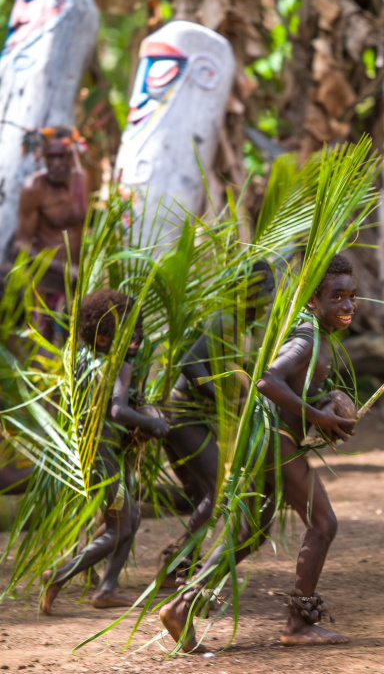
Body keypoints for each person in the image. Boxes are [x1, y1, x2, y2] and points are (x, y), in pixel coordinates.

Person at [159, 253, 358, 651]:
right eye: (336, 297)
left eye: (352, 296)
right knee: (323, 524)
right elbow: (267, 382)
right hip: (274, 442)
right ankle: (298, 624)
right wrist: (317, 417)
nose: (347, 305)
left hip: (267, 440)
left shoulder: (317, 337)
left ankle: (181, 606)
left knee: (251, 533)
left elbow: (294, 393)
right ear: (312, 301)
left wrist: (326, 408)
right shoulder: (306, 338)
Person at [41, 288, 170, 614]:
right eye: (127, 331)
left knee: (130, 518)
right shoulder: (119, 368)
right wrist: (153, 424)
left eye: (136, 329)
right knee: (121, 527)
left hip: (87, 454)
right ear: (103, 337)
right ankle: (61, 576)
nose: (137, 337)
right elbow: (118, 412)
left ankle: (106, 587)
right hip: (103, 455)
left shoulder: (81, 359)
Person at [160, 261, 275, 582]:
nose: (270, 299)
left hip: (195, 419)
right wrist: (224, 403)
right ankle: (176, 565)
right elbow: (190, 366)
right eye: (266, 291)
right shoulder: (225, 321)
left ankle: (176, 562)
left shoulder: (243, 329)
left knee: (201, 493)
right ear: (251, 293)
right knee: (218, 490)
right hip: (185, 416)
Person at [12, 126, 89, 342]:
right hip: (45, 284)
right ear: (43, 157)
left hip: (75, 283)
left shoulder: (82, 182)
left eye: (62, 157)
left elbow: (86, 226)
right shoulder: (34, 188)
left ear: (72, 156)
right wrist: (64, 268)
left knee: (74, 342)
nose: (56, 164)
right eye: (51, 157)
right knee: (44, 347)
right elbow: (21, 245)